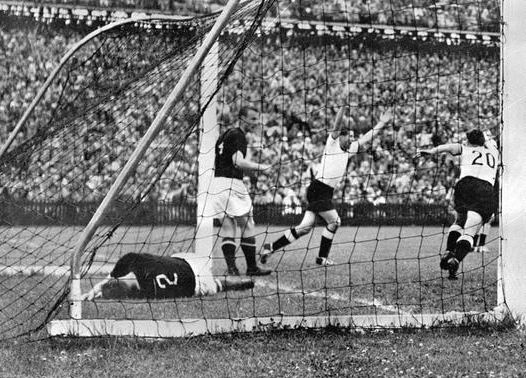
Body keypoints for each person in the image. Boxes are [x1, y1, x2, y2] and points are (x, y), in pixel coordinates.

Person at [260, 106, 392, 267]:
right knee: (335, 221)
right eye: (348, 136)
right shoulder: (332, 144)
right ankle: (321, 258)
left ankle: (269, 247)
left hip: (324, 192)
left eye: (351, 137)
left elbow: (366, 137)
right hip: (319, 189)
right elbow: (336, 126)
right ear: (340, 137)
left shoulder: (348, 150)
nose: (351, 139)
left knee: (304, 228)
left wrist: (381, 123)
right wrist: (343, 108)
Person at [418, 128, 499, 280]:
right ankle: (456, 259)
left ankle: (449, 250)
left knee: (460, 221)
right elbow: (490, 142)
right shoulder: (494, 151)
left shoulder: (466, 148)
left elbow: (450, 147)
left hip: (465, 185)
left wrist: (431, 151)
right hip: (486, 188)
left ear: (469, 141)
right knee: (470, 230)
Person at [209, 105, 273, 276]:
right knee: (247, 225)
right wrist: (262, 168)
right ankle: (252, 268)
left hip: (218, 184)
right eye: (252, 119)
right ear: (242, 118)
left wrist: (251, 174)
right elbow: (237, 161)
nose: (256, 122)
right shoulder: (238, 135)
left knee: (228, 226)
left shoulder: (225, 135)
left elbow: (229, 162)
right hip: (232, 184)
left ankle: (232, 269)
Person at [81, 252, 254, 301]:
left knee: (217, 285)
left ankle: (226, 284)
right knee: (170, 258)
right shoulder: (135, 260)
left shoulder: (147, 293)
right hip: (191, 261)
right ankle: (232, 282)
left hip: (199, 286)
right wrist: (98, 287)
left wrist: (100, 291)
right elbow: (115, 273)